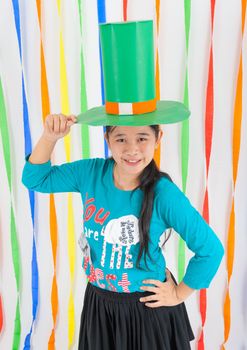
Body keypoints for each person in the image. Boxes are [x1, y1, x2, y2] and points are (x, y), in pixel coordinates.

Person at [22, 20, 224, 350]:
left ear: (159, 138)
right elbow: (36, 179)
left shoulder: (163, 194)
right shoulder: (91, 173)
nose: (132, 149)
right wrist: (49, 138)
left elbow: (211, 249)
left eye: (143, 137)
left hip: (147, 307)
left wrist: (180, 292)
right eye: (121, 138)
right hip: (100, 304)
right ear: (107, 139)